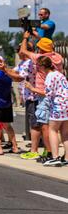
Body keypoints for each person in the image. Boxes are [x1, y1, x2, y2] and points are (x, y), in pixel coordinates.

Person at [9, 32, 63, 163]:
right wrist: (38, 37)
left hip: (42, 94)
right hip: (54, 95)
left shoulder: (40, 57)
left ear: (41, 49)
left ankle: (49, 152)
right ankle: (53, 152)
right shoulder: (58, 58)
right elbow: (48, 45)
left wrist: (26, 37)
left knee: (45, 126)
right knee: (55, 127)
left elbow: (23, 50)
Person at [36, 56, 68, 166]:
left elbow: (48, 94)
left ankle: (55, 157)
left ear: (42, 66)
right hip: (66, 105)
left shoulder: (50, 76)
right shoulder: (60, 74)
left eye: (38, 66)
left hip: (57, 106)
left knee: (52, 130)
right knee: (65, 133)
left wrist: (32, 88)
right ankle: (67, 157)